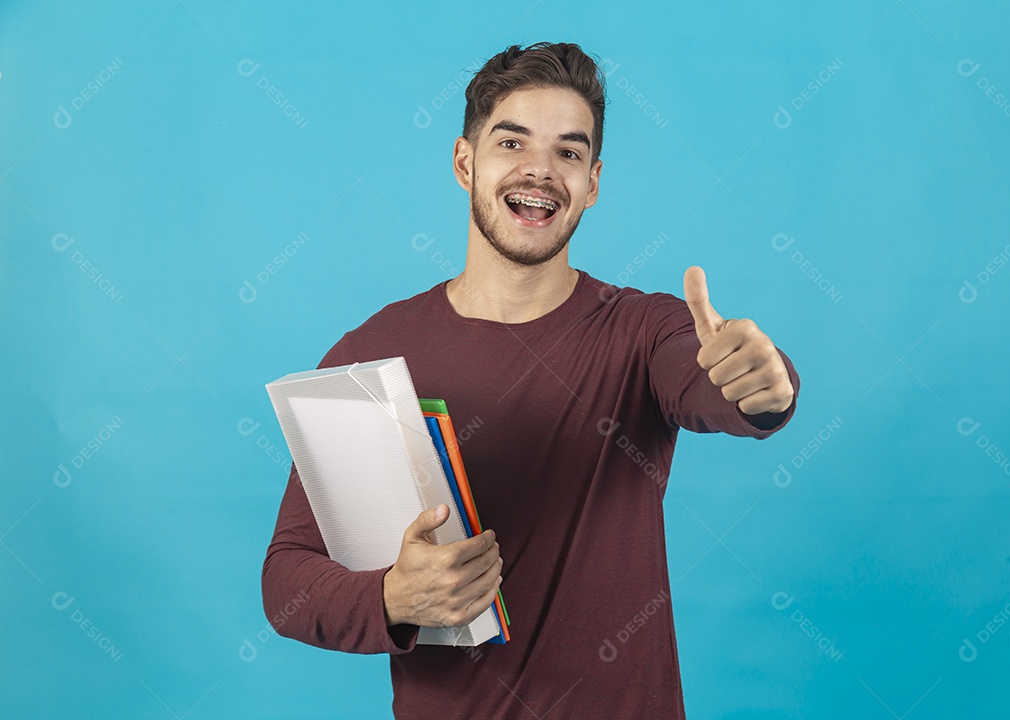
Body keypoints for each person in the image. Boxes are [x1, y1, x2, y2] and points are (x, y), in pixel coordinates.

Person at [262, 41, 799, 719]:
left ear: (594, 183)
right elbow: (287, 582)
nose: (540, 170)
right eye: (512, 142)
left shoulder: (642, 332)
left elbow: (713, 382)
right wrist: (393, 598)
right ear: (465, 162)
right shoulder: (371, 354)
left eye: (569, 152)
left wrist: (763, 387)